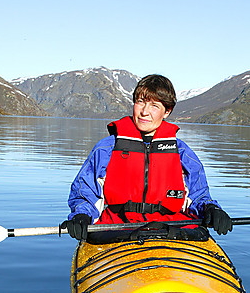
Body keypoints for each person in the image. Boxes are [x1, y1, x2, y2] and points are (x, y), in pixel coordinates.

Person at [63, 74, 233, 240]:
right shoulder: (106, 148)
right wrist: (82, 216)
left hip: (171, 228)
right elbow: (86, 192)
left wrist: (211, 209)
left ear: (167, 111)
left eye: (154, 106)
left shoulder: (182, 153)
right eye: (140, 102)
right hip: (117, 228)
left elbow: (198, 196)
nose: (145, 112)